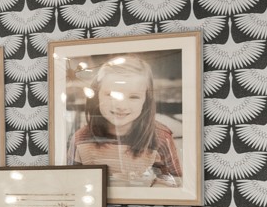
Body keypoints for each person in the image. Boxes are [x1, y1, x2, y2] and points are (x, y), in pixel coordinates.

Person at [65, 53, 183, 186]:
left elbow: (176, 181)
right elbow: (71, 183)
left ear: (146, 100)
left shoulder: (161, 137)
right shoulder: (80, 140)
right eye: (111, 95)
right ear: (97, 95)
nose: (121, 106)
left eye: (133, 97)